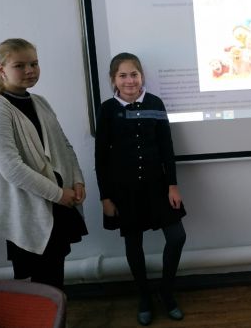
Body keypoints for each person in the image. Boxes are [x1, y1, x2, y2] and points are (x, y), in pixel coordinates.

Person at [0, 38, 88, 290]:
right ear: (1, 69)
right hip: (30, 211)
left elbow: (64, 145)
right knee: (40, 287)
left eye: (34, 64)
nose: (30, 70)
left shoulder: (40, 102)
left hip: (58, 206)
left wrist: (77, 180)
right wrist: (59, 194)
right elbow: (12, 168)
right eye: (20, 65)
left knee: (55, 278)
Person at [95, 52, 186, 326]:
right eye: (122, 75)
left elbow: (167, 147)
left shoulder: (155, 103)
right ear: (113, 79)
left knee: (177, 237)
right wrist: (105, 196)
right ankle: (144, 296)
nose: (129, 80)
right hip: (125, 191)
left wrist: (172, 185)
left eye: (134, 74)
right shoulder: (107, 109)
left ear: (142, 76)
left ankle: (166, 292)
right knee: (133, 244)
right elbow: (101, 157)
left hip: (158, 187)